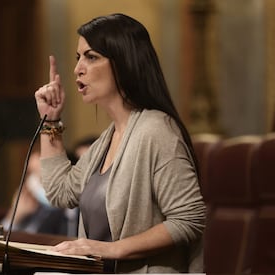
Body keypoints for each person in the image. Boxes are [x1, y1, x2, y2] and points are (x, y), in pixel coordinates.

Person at [34, 13, 206, 273]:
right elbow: (61, 192)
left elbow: (189, 219)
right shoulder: (108, 138)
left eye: (91, 57)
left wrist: (111, 248)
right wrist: (51, 122)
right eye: (78, 58)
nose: (78, 68)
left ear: (124, 62)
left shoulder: (156, 130)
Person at [1, 151, 67, 235]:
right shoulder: (28, 207)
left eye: (40, 175)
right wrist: (16, 214)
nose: (33, 181)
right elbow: (3, 236)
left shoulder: (68, 212)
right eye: (31, 173)